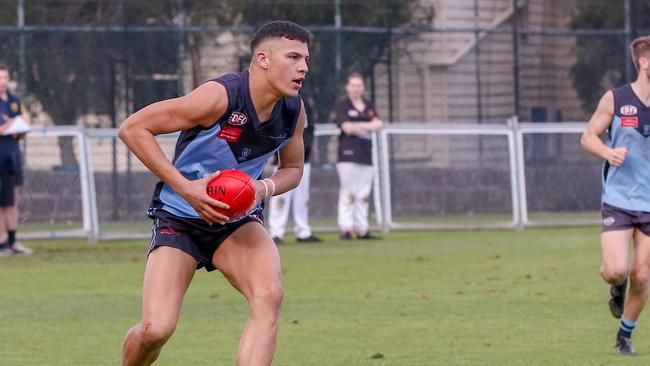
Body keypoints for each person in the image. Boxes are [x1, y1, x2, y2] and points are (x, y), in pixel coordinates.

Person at [118, 21, 310, 366]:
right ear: (263, 59)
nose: (303, 68)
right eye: (293, 57)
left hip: (237, 221)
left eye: (306, 59)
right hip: (180, 217)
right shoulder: (219, 97)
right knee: (156, 329)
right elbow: (133, 129)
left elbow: (293, 170)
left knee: (270, 296)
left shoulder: (293, 112)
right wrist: (186, 188)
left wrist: (261, 188)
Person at [581, 34, 650, 356]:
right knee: (616, 271)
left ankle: (625, 336)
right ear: (644, 62)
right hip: (620, 200)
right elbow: (588, 137)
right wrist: (608, 153)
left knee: (643, 275)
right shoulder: (616, 99)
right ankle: (616, 288)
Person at [334, 72, 383, 240]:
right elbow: (347, 128)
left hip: (366, 154)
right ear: (347, 87)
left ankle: (363, 228)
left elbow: (379, 124)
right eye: (353, 85)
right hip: (348, 154)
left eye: (359, 85)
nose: (356, 89)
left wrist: (359, 126)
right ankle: (347, 228)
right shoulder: (343, 106)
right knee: (349, 192)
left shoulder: (369, 105)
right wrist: (367, 126)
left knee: (363, 193)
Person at [269, 96, 322, 244]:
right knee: (280, 198)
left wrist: (306, 149)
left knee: (302, 199)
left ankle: (303, 231)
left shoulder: (303, 102)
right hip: (281, 161)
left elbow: (309, 129)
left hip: (303, 161)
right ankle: (276, 232)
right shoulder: (278, 101)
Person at [0, 62, 32, 256]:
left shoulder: (14, 101)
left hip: (11, 158)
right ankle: (1, 243)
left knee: (11, 201)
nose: (2, 82)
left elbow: (23, 124)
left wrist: (19, 128)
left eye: (5, 78)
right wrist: (10, 125)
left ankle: (12, 241)